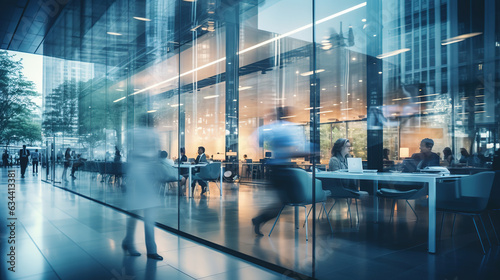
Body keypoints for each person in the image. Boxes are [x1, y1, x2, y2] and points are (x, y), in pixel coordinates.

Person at [251, 106, 310, 236]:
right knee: (293, 198)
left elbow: (256, 139)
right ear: (286, 114)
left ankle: (259, 219)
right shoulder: (288, 128)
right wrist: (308, 152)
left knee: (282, 203)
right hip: (282, 170)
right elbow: (289, 151)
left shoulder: (272, 128)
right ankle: (259, 219)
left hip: (276, 170)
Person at [122, 126, 164, 260]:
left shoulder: (149, 133)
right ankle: (134, 244)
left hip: (145, 176)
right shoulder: (137, 133)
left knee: (143, 212)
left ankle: (140, 246)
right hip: (139, 176)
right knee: (137, 212)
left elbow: (155, 155)